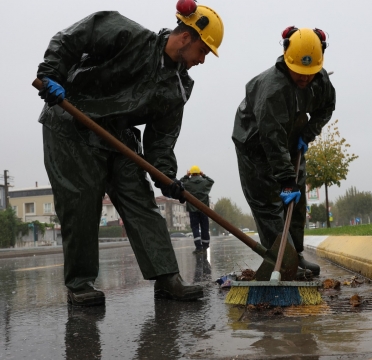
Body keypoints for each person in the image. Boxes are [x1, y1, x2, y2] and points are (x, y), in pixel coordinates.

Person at [36, 5, 224, 306]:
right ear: (186, 36)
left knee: (140, 199)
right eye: (202, 51)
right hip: (72, 120)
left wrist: (166, 177)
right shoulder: (127, 34)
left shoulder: (178, 87)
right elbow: (70, 38)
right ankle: (80, 283)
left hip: (116, 135)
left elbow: (160, 141)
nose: (202, 60)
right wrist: (50, 74)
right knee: (81, 201)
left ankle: (167, 279)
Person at [231, 27, 336, 276]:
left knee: (296, 200)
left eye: (309, 73)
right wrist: (285, 179)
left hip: (291, 138)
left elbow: (327, 108)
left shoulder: (319, 81)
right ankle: (284, 262)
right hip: (255, 144)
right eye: (299, 72)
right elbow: (271, 138)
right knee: (269, 204)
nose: (304, 78)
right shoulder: (272, 89)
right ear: (287, 59)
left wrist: (307, 134)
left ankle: (295, 255)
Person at [180, 165, 214, 253]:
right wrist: (204, 175)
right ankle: (205, 245)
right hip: (204, 209)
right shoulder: (204, 182)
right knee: (204, 227)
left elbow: (179, 183)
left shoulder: (188, 183)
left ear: (191, 173)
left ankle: (198, 247)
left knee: (195, 228)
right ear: (199, 173)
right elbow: (211, 181)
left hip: (193, 210)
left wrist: (186, 176)